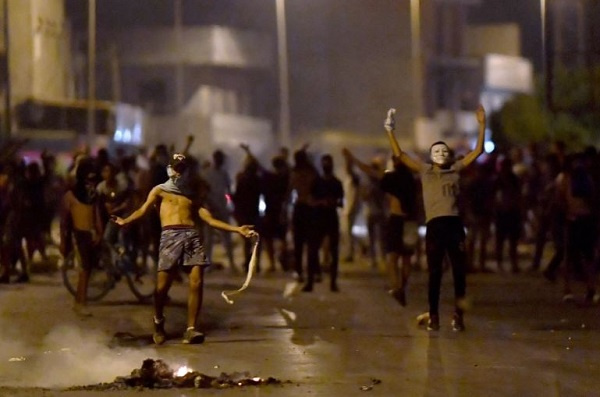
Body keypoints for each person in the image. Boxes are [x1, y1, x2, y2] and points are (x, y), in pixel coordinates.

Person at [112, 153, 255, 345]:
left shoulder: (192, 196)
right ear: (170, 169)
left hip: (191, 237)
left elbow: (209, 219)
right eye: (177, 168)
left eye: (182, 168)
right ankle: (158, 321)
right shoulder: (159, 191)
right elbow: (143, 209)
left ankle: (191, 329)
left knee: (196, 282)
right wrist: (125, 221)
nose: (179, 172)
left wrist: (238, 229)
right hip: (170, 237)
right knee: (162, 288)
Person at [385, 105, 486, 331]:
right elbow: (400, 155)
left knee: (459, 272)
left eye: (444, 151)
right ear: (431, 155)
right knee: (435, 273)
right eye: (436, 151)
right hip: (435, 226)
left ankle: (458, 316)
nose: (440, 155)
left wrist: (482, 125)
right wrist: (390, 131)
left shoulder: (456, 169)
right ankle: (434, 316)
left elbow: (477, 152)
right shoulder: (425, 171)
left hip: (454, 224)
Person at [59, 157, 104, 316]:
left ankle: (79, 302)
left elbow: (96, 213)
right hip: (78, 235)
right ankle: (81, 303)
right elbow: (64, 221)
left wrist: (99, 232)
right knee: (84, 270)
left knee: (87, 270)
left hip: (90, 234)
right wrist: (64, 241)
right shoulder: (70, 195)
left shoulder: (93, 194)